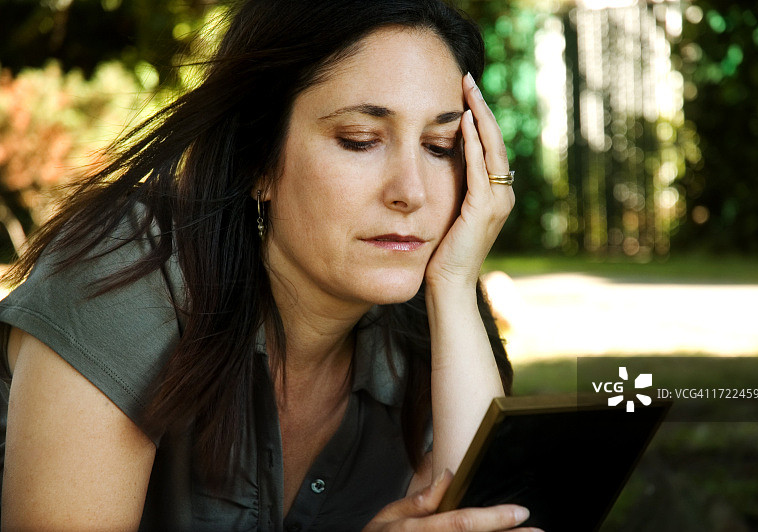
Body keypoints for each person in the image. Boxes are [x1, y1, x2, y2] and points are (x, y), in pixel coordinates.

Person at [0, 1, 538, 530]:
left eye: (441, 146)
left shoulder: (429, 330)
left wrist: (453, 284)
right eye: (360, 140)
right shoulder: (126, 271)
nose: (411, 192)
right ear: (257, 161)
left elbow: (479, 517)